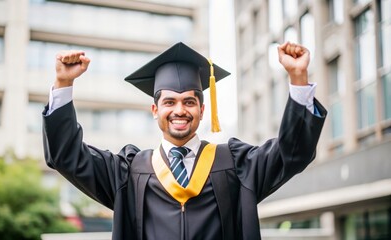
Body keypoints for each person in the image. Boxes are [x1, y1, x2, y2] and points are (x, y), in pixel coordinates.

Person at [43, 42, 326, 240]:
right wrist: (63, 85)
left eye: (189, 101)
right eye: (169, 102)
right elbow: (68, 156)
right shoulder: (128, 173)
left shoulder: (238, 166)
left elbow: (293, 153)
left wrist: (298, 78)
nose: (179, 110)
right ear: (155, 111)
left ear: (202, 110)